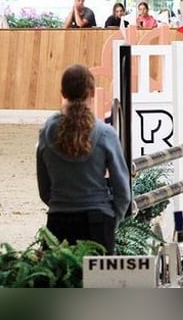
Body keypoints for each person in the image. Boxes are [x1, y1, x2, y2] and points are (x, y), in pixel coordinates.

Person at [36, 64, 131, 255]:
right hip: (97, 222)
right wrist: (113, 219)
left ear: (63, 92)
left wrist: (61, 204)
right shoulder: (105, 134)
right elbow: (123, 191)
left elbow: (44, 189)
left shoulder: (46, 133)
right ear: (92, 93)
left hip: (58, 223)